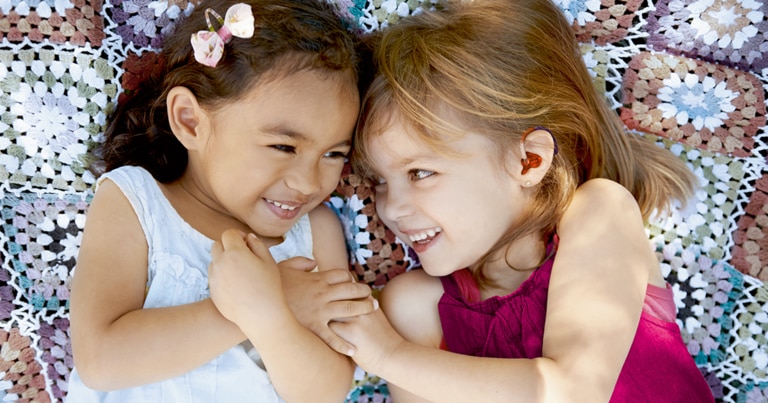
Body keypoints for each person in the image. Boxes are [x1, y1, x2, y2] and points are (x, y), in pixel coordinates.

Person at [327, 0, 715, 401]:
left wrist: (390, 356)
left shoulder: (599, 213)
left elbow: (573, 391)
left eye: (420, 173)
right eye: (379, 181)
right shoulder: (414, 307)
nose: (391, 208)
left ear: (528, 160)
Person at [67, 0, 376, 401]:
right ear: (190, 121)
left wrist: (271, 319)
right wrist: (256, 306)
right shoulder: (136, 203)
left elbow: (325, 392)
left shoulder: (315, 233)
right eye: (283, 146)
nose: (307, 182)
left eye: (334, 154)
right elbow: (100, 361)